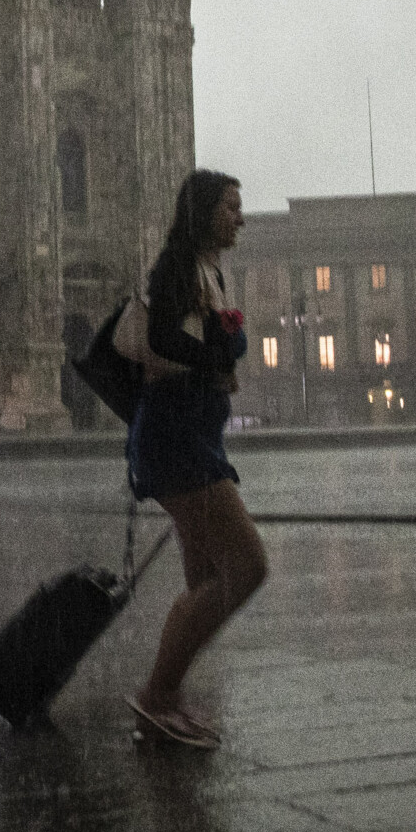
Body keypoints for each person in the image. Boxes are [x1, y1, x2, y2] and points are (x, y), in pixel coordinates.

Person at [124, 168, 268, 749]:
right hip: (178, 440)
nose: (240, 216)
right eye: (231, 206)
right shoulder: (180, 266)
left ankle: (167, 699)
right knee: (247, 567)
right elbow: (161, 338)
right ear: (204, 211)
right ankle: (157, 696)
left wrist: (214, 357)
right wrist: (213, 359)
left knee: (207, 577)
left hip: (194, 437)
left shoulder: (208, 270)